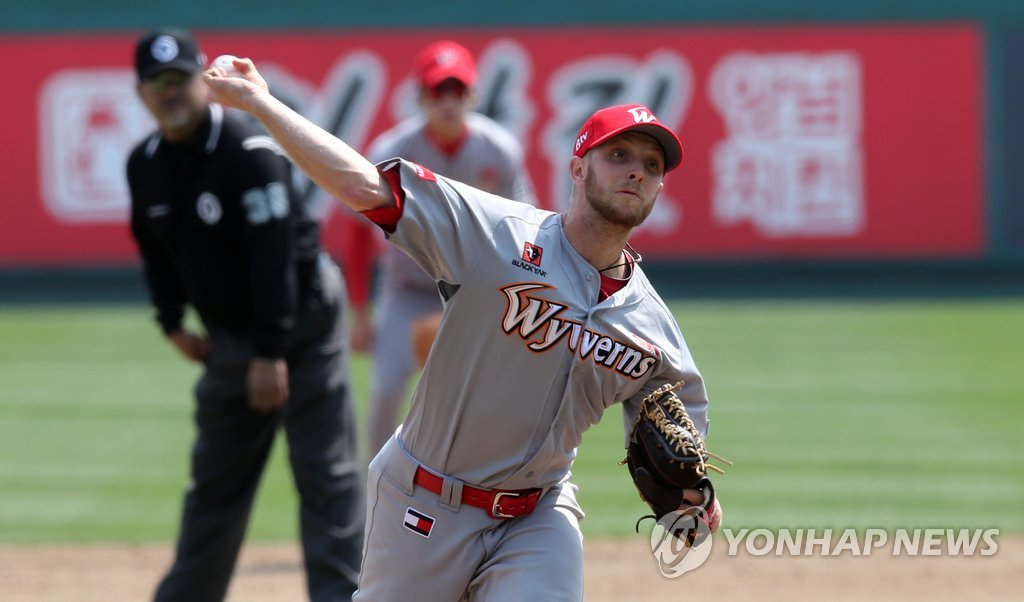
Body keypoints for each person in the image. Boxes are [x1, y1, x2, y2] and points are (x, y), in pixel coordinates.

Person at [203, 55, 722, 601]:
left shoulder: (651, 327)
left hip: (538, 515)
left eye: (652, 164)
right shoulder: (495, 234)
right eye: (618, 155)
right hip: (423, 504)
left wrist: (695, 494)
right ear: (578, 168)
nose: (637, 170)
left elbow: (679, 425)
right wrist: (260, 102)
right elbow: (362, 186)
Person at [126, 28, 363, 601]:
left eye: (180, 78)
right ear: (141, 94)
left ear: (203, 81)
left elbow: (274, 257)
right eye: (157, 83)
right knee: (214, 485)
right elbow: (154, 247)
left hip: (301, 327)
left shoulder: (248, 153)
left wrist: (269, 353)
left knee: (325, 477)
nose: (170, 92)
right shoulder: (145, 164)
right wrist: (171, 322)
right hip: (232, 338)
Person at [347, 40, 537, 456]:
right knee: (386, 390)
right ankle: (373, 499)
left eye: (457, 91)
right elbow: (358, 231)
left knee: (493, 395)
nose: (448, 102)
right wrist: (360, 311)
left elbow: (527, 227)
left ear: (472, 96)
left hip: (477, 291)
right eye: (438, 92)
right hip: (409, 290)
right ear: (420, 98)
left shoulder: (499, 150)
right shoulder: (391, 153)